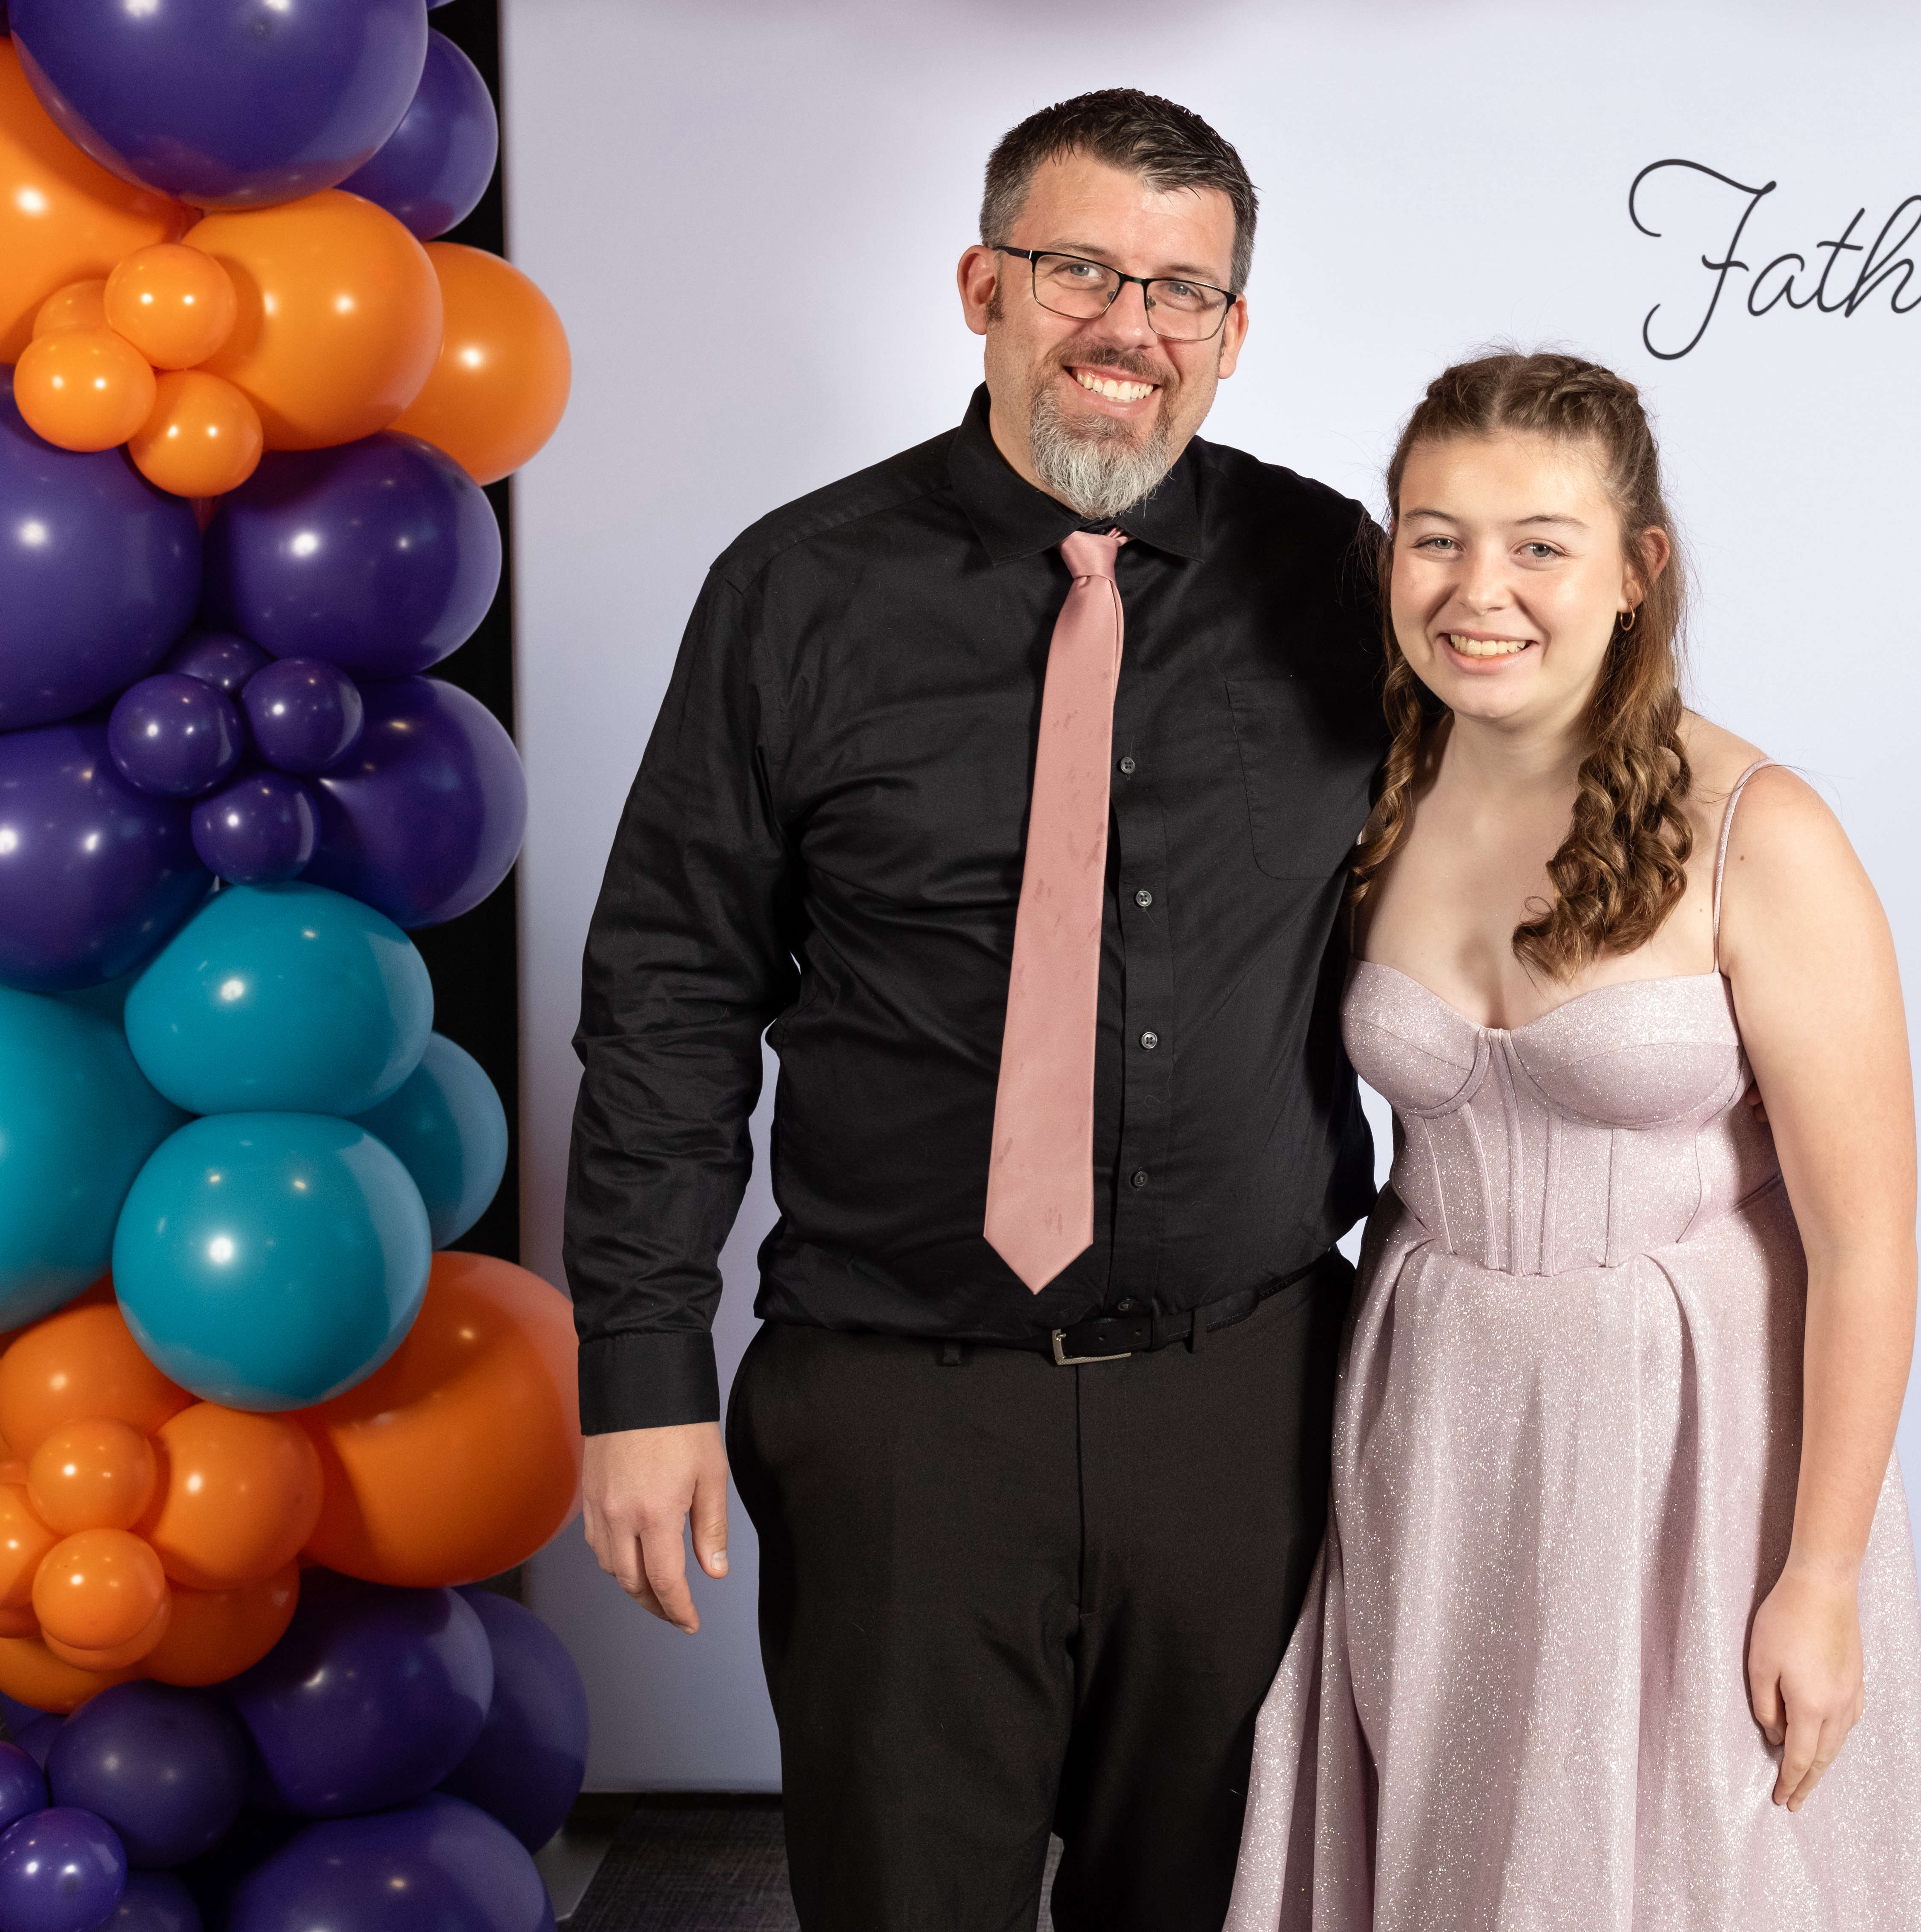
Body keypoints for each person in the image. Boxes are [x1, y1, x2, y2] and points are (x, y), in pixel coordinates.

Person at [563, 92, 1386, 1932]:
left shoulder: (1335, 580)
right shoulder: (794, 590)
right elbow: (671, 989)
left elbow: (1518, 816)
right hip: (900, 1409)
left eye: (1181, 291)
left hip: (1244, 1409)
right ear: (982, 286)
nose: (1128, 328)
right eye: (1080, 269)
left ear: (1233, 332)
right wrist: (641, 1369)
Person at [1224, 353, 1921, 1930]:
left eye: (1539, 544)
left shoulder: (1763, 830)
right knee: (1450, 1853)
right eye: (1436, 538)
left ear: (1636, 569)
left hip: (1689, 1447)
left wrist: (1819, 1576)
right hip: (1431, 1422)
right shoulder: (1374, 802)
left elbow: (1866, 1243)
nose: (1479, 591)